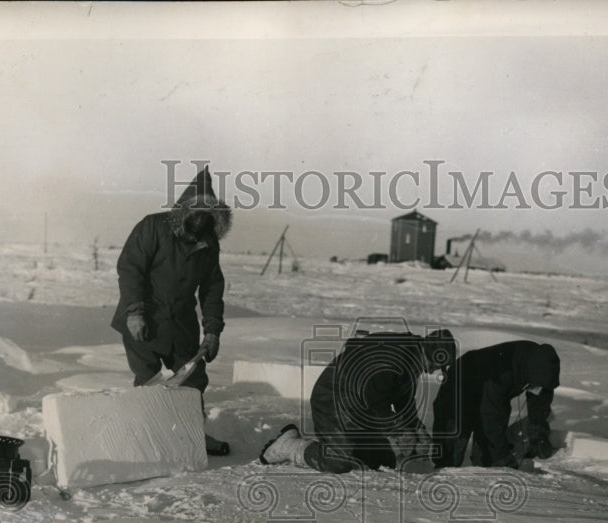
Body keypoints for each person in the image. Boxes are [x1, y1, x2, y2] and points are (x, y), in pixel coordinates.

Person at [110, 168, 232, 454]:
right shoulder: (152, 227)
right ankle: (151, 439)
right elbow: (130, 269)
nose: (201, 217)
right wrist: (134, 312)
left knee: (193, 381)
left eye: (208, 212)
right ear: (185, 207)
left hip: (182, 323)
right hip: (144, 319)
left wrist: (212, 330)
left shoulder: (209, 243)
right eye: (197, 209)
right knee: (149, 380)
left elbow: (212, 287)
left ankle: (193, 434)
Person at [259, 329, 457, 473]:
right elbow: (375, 400)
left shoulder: (412, 356)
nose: (433, 371)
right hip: (333, 399)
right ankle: (289, 445)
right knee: (337, 462)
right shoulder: (396, 358)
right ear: (430, 353)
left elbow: (401, 398)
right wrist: (399, 430)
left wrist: (415, 428)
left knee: (381, 458)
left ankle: (344, 445)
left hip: (358, 405)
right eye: (436, 365)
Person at [431, 340, 560, 469]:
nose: (538, 389)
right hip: (462, 381)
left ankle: (484, 470)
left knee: (485, 459)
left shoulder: (544, 366)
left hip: (490, 388)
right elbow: (492, 417)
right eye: (536, 385)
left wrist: (539, 437)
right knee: (451, 449)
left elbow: (540, 403)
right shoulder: (504, 371)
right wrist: (502, 456)